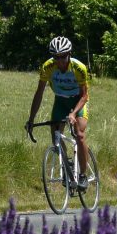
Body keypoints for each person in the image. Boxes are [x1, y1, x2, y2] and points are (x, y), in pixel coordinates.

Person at [26, 36, 90, 190]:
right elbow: (39, 93)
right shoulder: (48, 67)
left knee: (79, 134)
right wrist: (31, 119)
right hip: (60, 100)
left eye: (62, 57)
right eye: (56, 57)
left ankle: (83, 175)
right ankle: (67, 164)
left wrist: (74, 113)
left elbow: (85, 96)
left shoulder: (79, 68)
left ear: (69, 54)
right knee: (55, 137)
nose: (59, 61)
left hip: (77, 101)